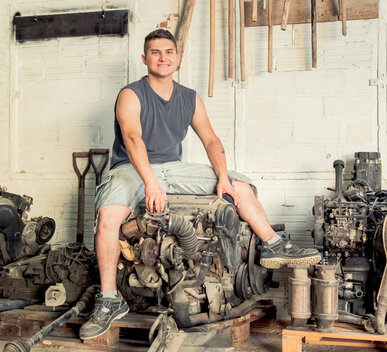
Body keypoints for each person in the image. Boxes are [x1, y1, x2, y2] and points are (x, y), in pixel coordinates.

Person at [79, 29, 321, 339]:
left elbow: (210, 139)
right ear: (145, 58)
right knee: (108, 218)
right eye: (155, 52)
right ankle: (110, 300)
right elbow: (132, 137)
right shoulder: (131, 94)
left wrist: (222, 177)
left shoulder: (189, 97)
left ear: (177, 58)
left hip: (172, 169)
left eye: (168, 52)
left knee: (240, 186)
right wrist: (149, 182)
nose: (163, 57)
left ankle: (275, 244)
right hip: (130, 168)